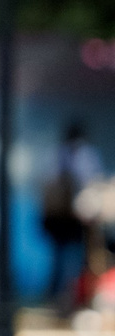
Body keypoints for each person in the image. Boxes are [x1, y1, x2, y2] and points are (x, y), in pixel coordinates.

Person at [41, 120, 104, 311]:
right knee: (68, 262)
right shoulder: (79, 155)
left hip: (71, 220)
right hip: (67, 221)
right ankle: (64, 300)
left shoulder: (66, 155)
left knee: (72, 262)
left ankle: (71, 299)